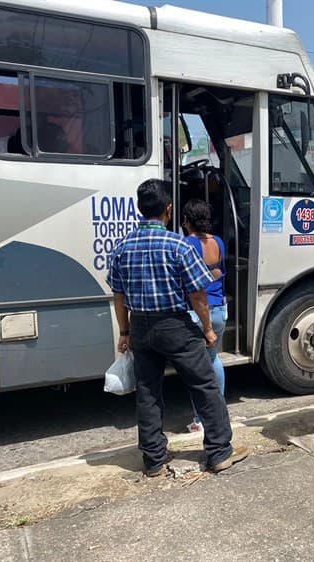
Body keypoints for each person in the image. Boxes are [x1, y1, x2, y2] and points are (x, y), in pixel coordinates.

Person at [107, 179, 247, 476]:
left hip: (141, 326)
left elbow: (118, 297)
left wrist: (124, 332)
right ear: (168, 210)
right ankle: (219, 451)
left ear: (139, 209)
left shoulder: (122, 248)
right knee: (204, 385)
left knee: (148, 391)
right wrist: (208, 329)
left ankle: (154, 460)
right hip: (176, 325)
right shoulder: (179, 245)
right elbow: (198, 295)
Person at [182, 198, 228, 433]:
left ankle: (200, 419)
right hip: (220, 309)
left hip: (198, 312)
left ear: (187, 220)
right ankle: (219, 411)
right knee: (213, 359)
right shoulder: (218, 241)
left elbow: (188, 281)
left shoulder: (186, 244)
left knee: (197, 368)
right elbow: (219, 271)